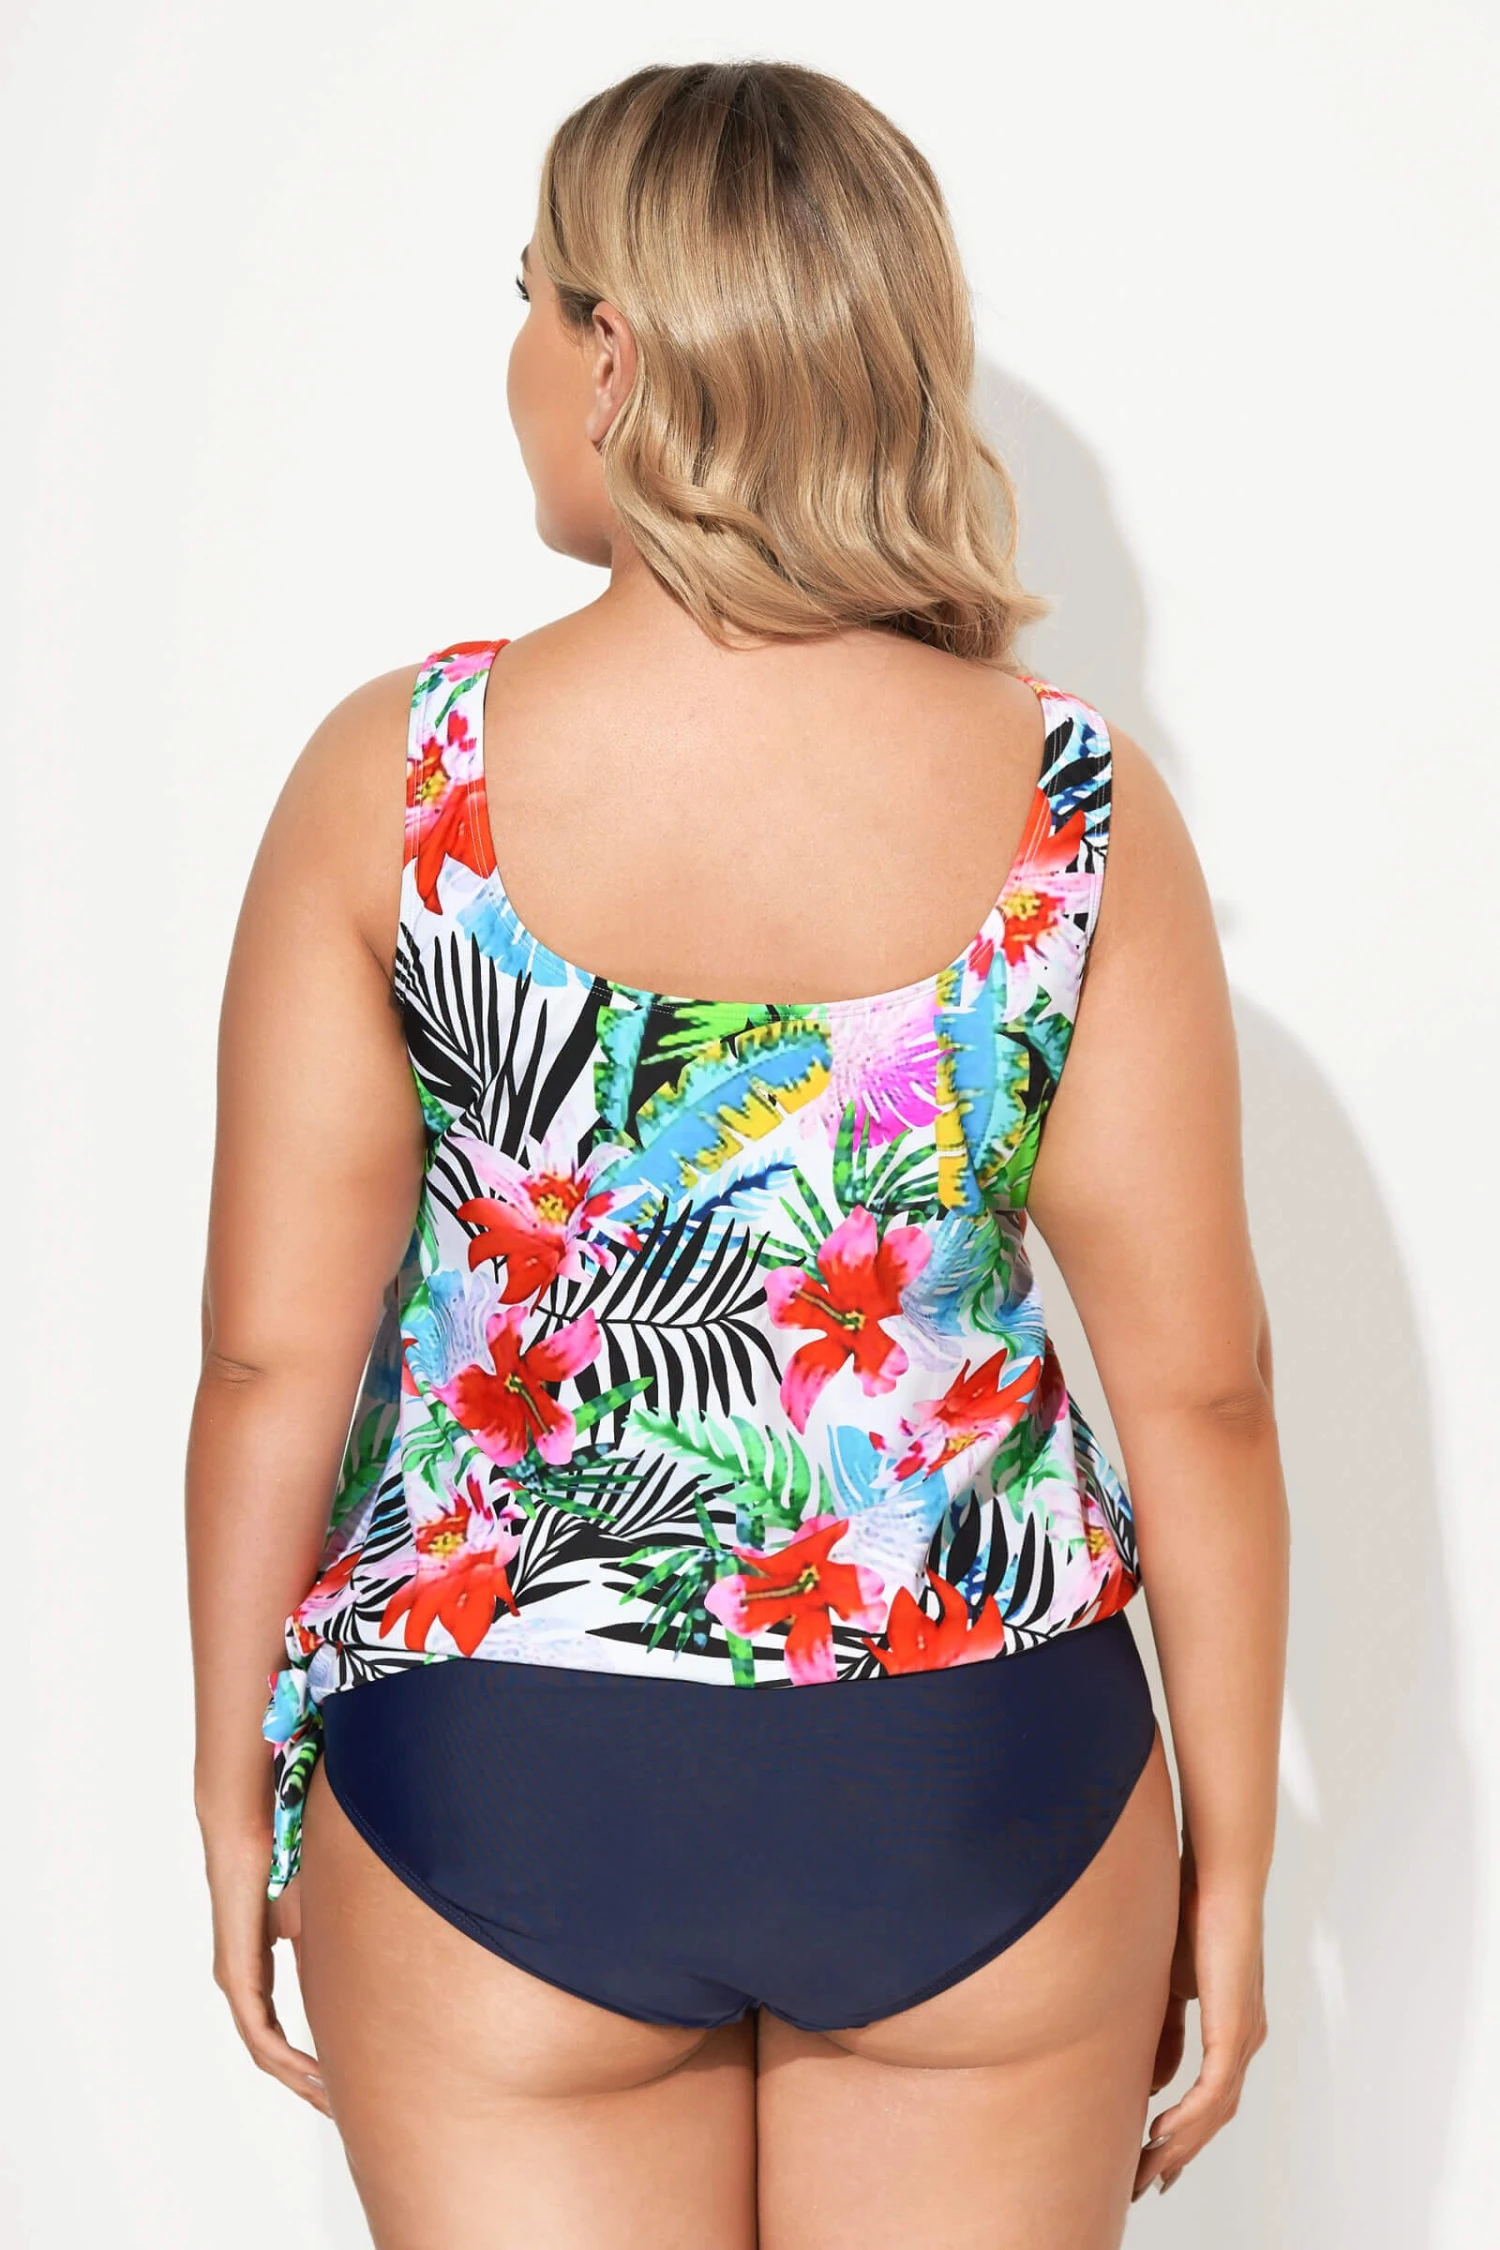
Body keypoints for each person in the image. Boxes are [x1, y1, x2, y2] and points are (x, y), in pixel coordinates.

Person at [186, 58, 1288, 2250]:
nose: (515, 357)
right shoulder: (1078, 808)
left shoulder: (398, 780)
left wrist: (231, 1782)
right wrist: (1237, 1863)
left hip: (500, 1758)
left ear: (613, 351)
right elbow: (1206, 1396)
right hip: (983, 1768)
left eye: (528, 298)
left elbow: (264, 1364)